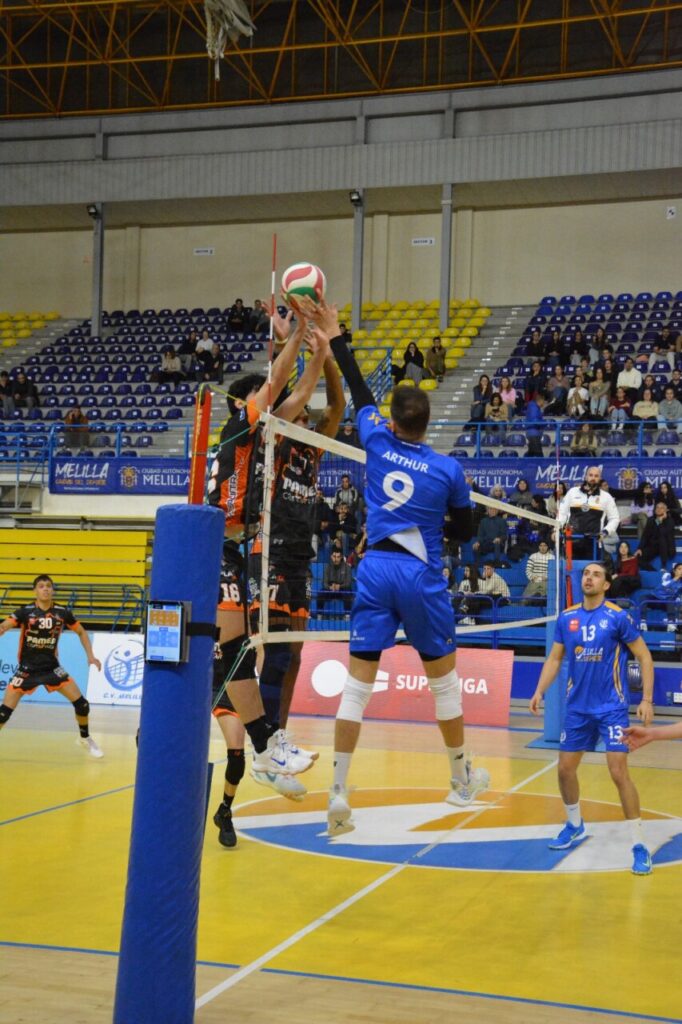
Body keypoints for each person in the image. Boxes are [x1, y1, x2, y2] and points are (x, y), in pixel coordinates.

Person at [298, 295, 488, 837]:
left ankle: (337, 790)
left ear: (395, 420)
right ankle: (460, 781)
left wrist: (336, 336)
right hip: (420, 573)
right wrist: (435, 532)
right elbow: (466, 531)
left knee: (358, 687)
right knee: (444, 685)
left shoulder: (377, 441)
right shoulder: (448, 468)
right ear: (428, 423)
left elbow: (359, 388)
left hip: (376, 569)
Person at [206, 303, 325, 807]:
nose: (273, 406)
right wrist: (295, 333)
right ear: (247, 402)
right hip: (211, 541)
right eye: (262, 400)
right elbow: (278, 386)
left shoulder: (266, 435)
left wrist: (317, 354)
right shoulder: (240, 426)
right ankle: (261, 746)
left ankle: (265, 745)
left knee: (235, 652)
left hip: (235, 547)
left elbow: (297, 395)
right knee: (226, 651)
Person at [529, 561, 654, 875]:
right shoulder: (567, 617)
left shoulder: (617, 617)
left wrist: (648, 699)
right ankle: (574, 824)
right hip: (577, 709)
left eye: (596, 574)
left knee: (617, 771)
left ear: (607, 584)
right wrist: (539, 691)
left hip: (611, 707)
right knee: (564, 769)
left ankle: (639, 844)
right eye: (586, 573)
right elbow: (555, 658)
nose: (589, 577)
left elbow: (644, 655)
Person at [0, 574, 103, 758]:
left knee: (82, 705)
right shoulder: (25, 611)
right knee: (3, 714)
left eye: (48, 586)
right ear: (35, 591)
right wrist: (2, 628)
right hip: (26, 670)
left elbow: (80, 631)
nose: (45, 589)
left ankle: (84, 738)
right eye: (41, 586)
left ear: (52, 590)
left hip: (52, 668)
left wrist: (91, 656)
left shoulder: (62, 613)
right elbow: (6, 624)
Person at [557, 465, 619, 559]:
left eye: (596, 476)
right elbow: (562, 513)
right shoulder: (572, 492)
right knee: (570, 572)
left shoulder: (606, 497)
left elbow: (615, 518)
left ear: (600, 478)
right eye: (590, 475)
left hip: (594, 543)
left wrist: (605, 532)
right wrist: (558, 529)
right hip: (572, 540)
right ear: (585, 477)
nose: (593, 478)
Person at [635, 501, 676, 569]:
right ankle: (652, 571)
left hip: (666, 548)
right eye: (657, 507)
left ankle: (664, 565)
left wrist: (661, 521)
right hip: (653, 546)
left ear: (665, 510)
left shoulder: (670, 521)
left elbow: (662, 533)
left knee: (661, 539)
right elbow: (645, 535)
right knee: (638, 558)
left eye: (661, 508)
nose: (659, 509)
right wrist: (640, 548)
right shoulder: (651, 519)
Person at [317, 549, 353, 615]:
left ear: (341, 557)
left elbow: (348, 583)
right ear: (331, 556)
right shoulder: (327, 567)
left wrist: (339, 586)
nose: (336, 559)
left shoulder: (347, 567)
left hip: (342, 590)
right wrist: (330, 587)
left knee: (348, 593)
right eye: (334, 556)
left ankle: (347, 615)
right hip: (330, 589)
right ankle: (319, 614)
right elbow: (324, 582)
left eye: (338, 557)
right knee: (320, 593)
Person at [525, 391, 545, 456]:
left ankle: (526, 465)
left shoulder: (534, 407)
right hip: (533, 433)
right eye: (543, 401)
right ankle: (541, 466)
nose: (544, 403)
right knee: (539, 454)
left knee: (531, 453)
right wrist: (544, 423)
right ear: (540, 400)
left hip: (533, 433)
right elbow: (535, 421)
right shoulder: (534, 407)